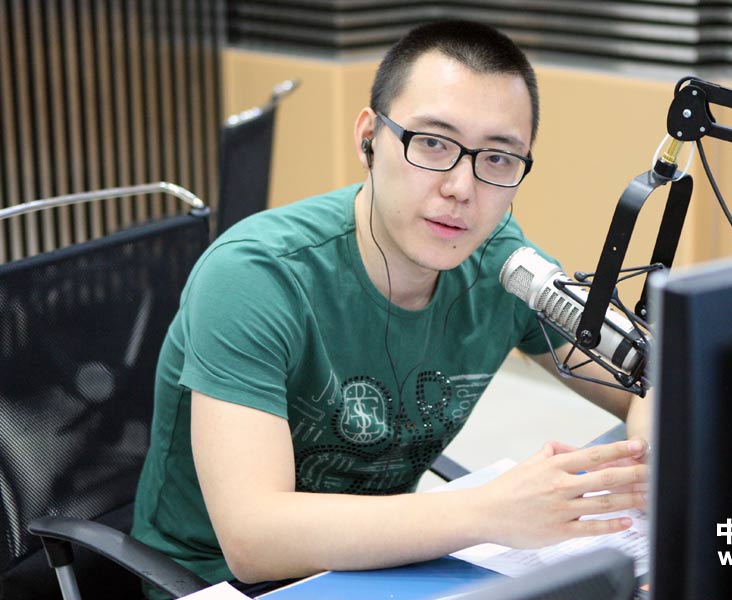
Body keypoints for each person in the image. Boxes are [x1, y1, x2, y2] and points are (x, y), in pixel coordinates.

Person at [132, 19, 651, 596]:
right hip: (220, 583)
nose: (461, 188)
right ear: (369, 139)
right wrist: (488, 512)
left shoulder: (505, 266)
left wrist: (652, 462)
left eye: (499, 159)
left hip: (387, 567)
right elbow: (255, 539)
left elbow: (650, 378)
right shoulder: (255, 276)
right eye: (432, 143)